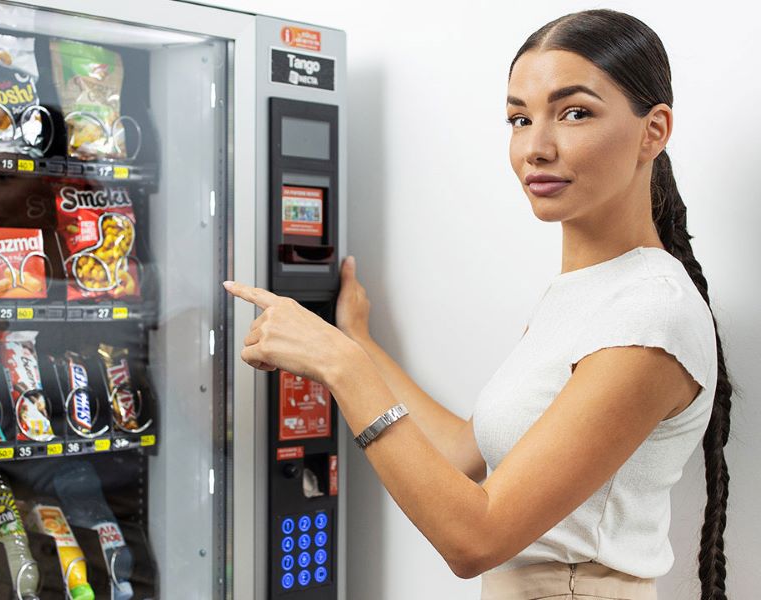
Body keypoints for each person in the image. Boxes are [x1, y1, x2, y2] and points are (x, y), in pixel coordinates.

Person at [224, 8, 732, 600]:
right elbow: (464, 453)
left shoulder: (651, 313)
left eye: (574, 113)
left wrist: (341, 365)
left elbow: (474, 539)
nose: (535, 148)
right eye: (520, 119)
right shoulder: (590, 293)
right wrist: (356, 340)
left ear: (654, 130)